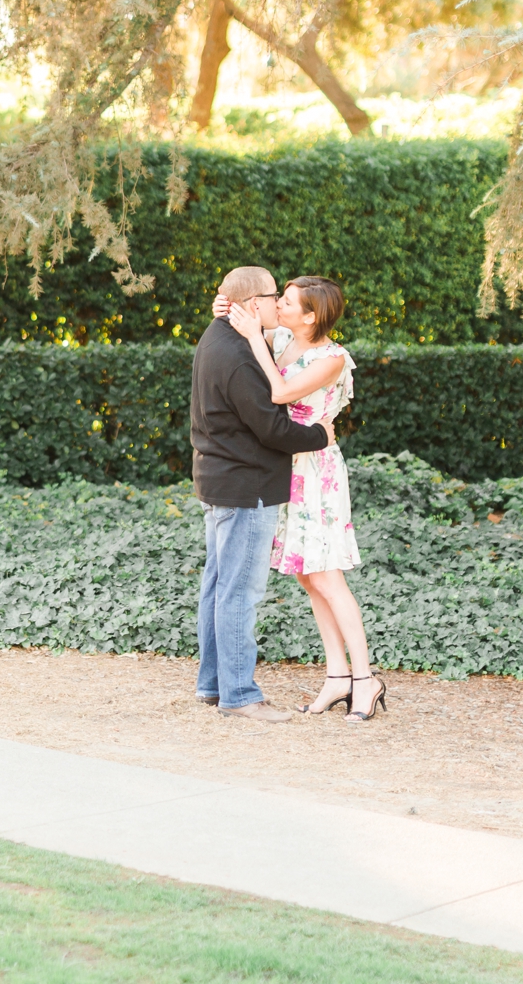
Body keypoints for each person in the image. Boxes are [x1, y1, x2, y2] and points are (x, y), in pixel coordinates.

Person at [225, 275, 387, 723]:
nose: (279, 306)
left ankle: (365, 678)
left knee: (328, 577)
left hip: (317, 471)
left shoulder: (331, 358)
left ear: (311, 316)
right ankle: (336, 677)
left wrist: (255, 337)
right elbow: (245, 313)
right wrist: (235, 311)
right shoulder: (283, 339)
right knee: (308, 578)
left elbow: (279, 393)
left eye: (289, 302)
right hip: (287, 466)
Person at [190, 266, 334, 724]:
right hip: (245, 486)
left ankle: (213, 685)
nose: (278, 304)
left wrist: (227, 307)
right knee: (238, 593)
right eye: (274, 297)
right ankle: (239, 695)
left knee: (217, 586)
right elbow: (271, 427)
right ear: (254, 305)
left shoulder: (218, 337)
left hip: (220, 480)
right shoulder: (238, 355)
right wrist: (320, 436)